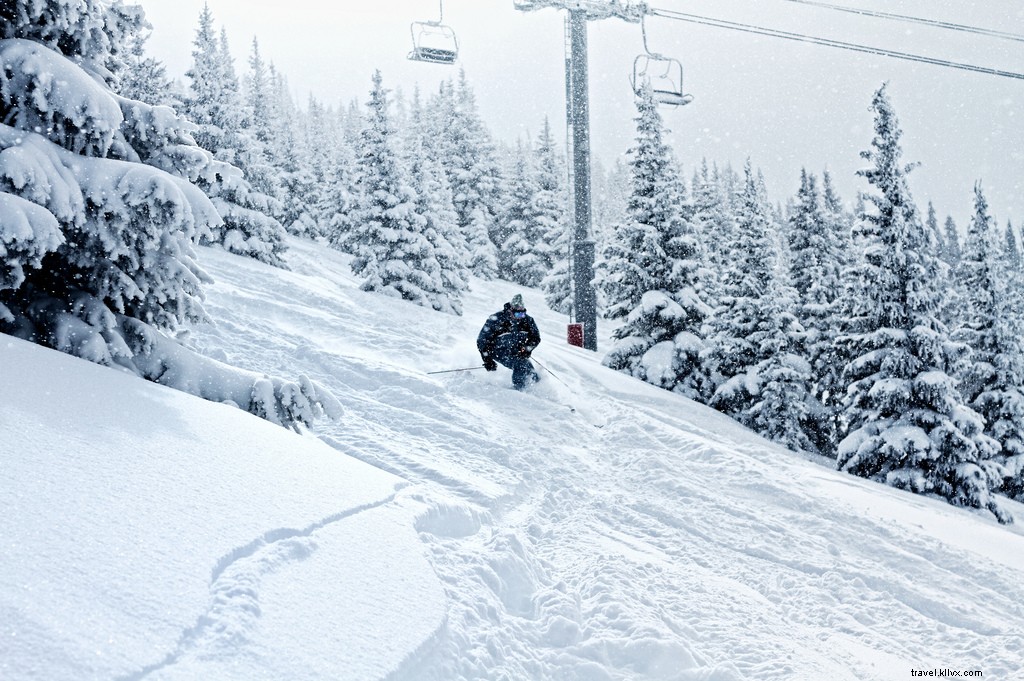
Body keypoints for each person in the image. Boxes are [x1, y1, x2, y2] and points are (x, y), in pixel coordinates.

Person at [477, 294, 541, 390]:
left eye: (522, 314)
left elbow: (535, 337)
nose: (520, 317)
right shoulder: (496, 319)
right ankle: (520, 390)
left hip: (517, 351)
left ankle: (538, 389)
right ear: (510, 310)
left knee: (531, 371)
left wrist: (527, 349)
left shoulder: (527, 320)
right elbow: (482, 340)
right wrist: (487, 360)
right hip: (498, 351)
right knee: (520, 365)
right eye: (517, 314)